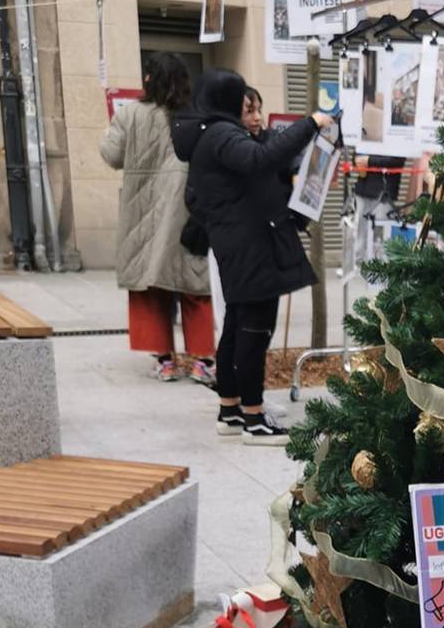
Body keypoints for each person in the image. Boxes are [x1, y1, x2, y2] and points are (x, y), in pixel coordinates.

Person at [172, 69, 330, 444]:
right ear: (228, 101)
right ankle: (254, 419)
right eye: (245, 104)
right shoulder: (223, 135)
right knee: (254, 330)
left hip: (243, 244)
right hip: (250, 247)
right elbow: (260, 160)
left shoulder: (213, 134)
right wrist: (311, 122)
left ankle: (231, 411)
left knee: (237, 327)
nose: (253, 115)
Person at [99, 52, 215, 384]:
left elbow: (112, 155)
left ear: (149, 79)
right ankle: (203, 360)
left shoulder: (129, 114)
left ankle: (164, 360)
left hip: (142, 209)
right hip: (187, 208)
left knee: (149, 286)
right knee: (195, 283)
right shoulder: (196, 116)